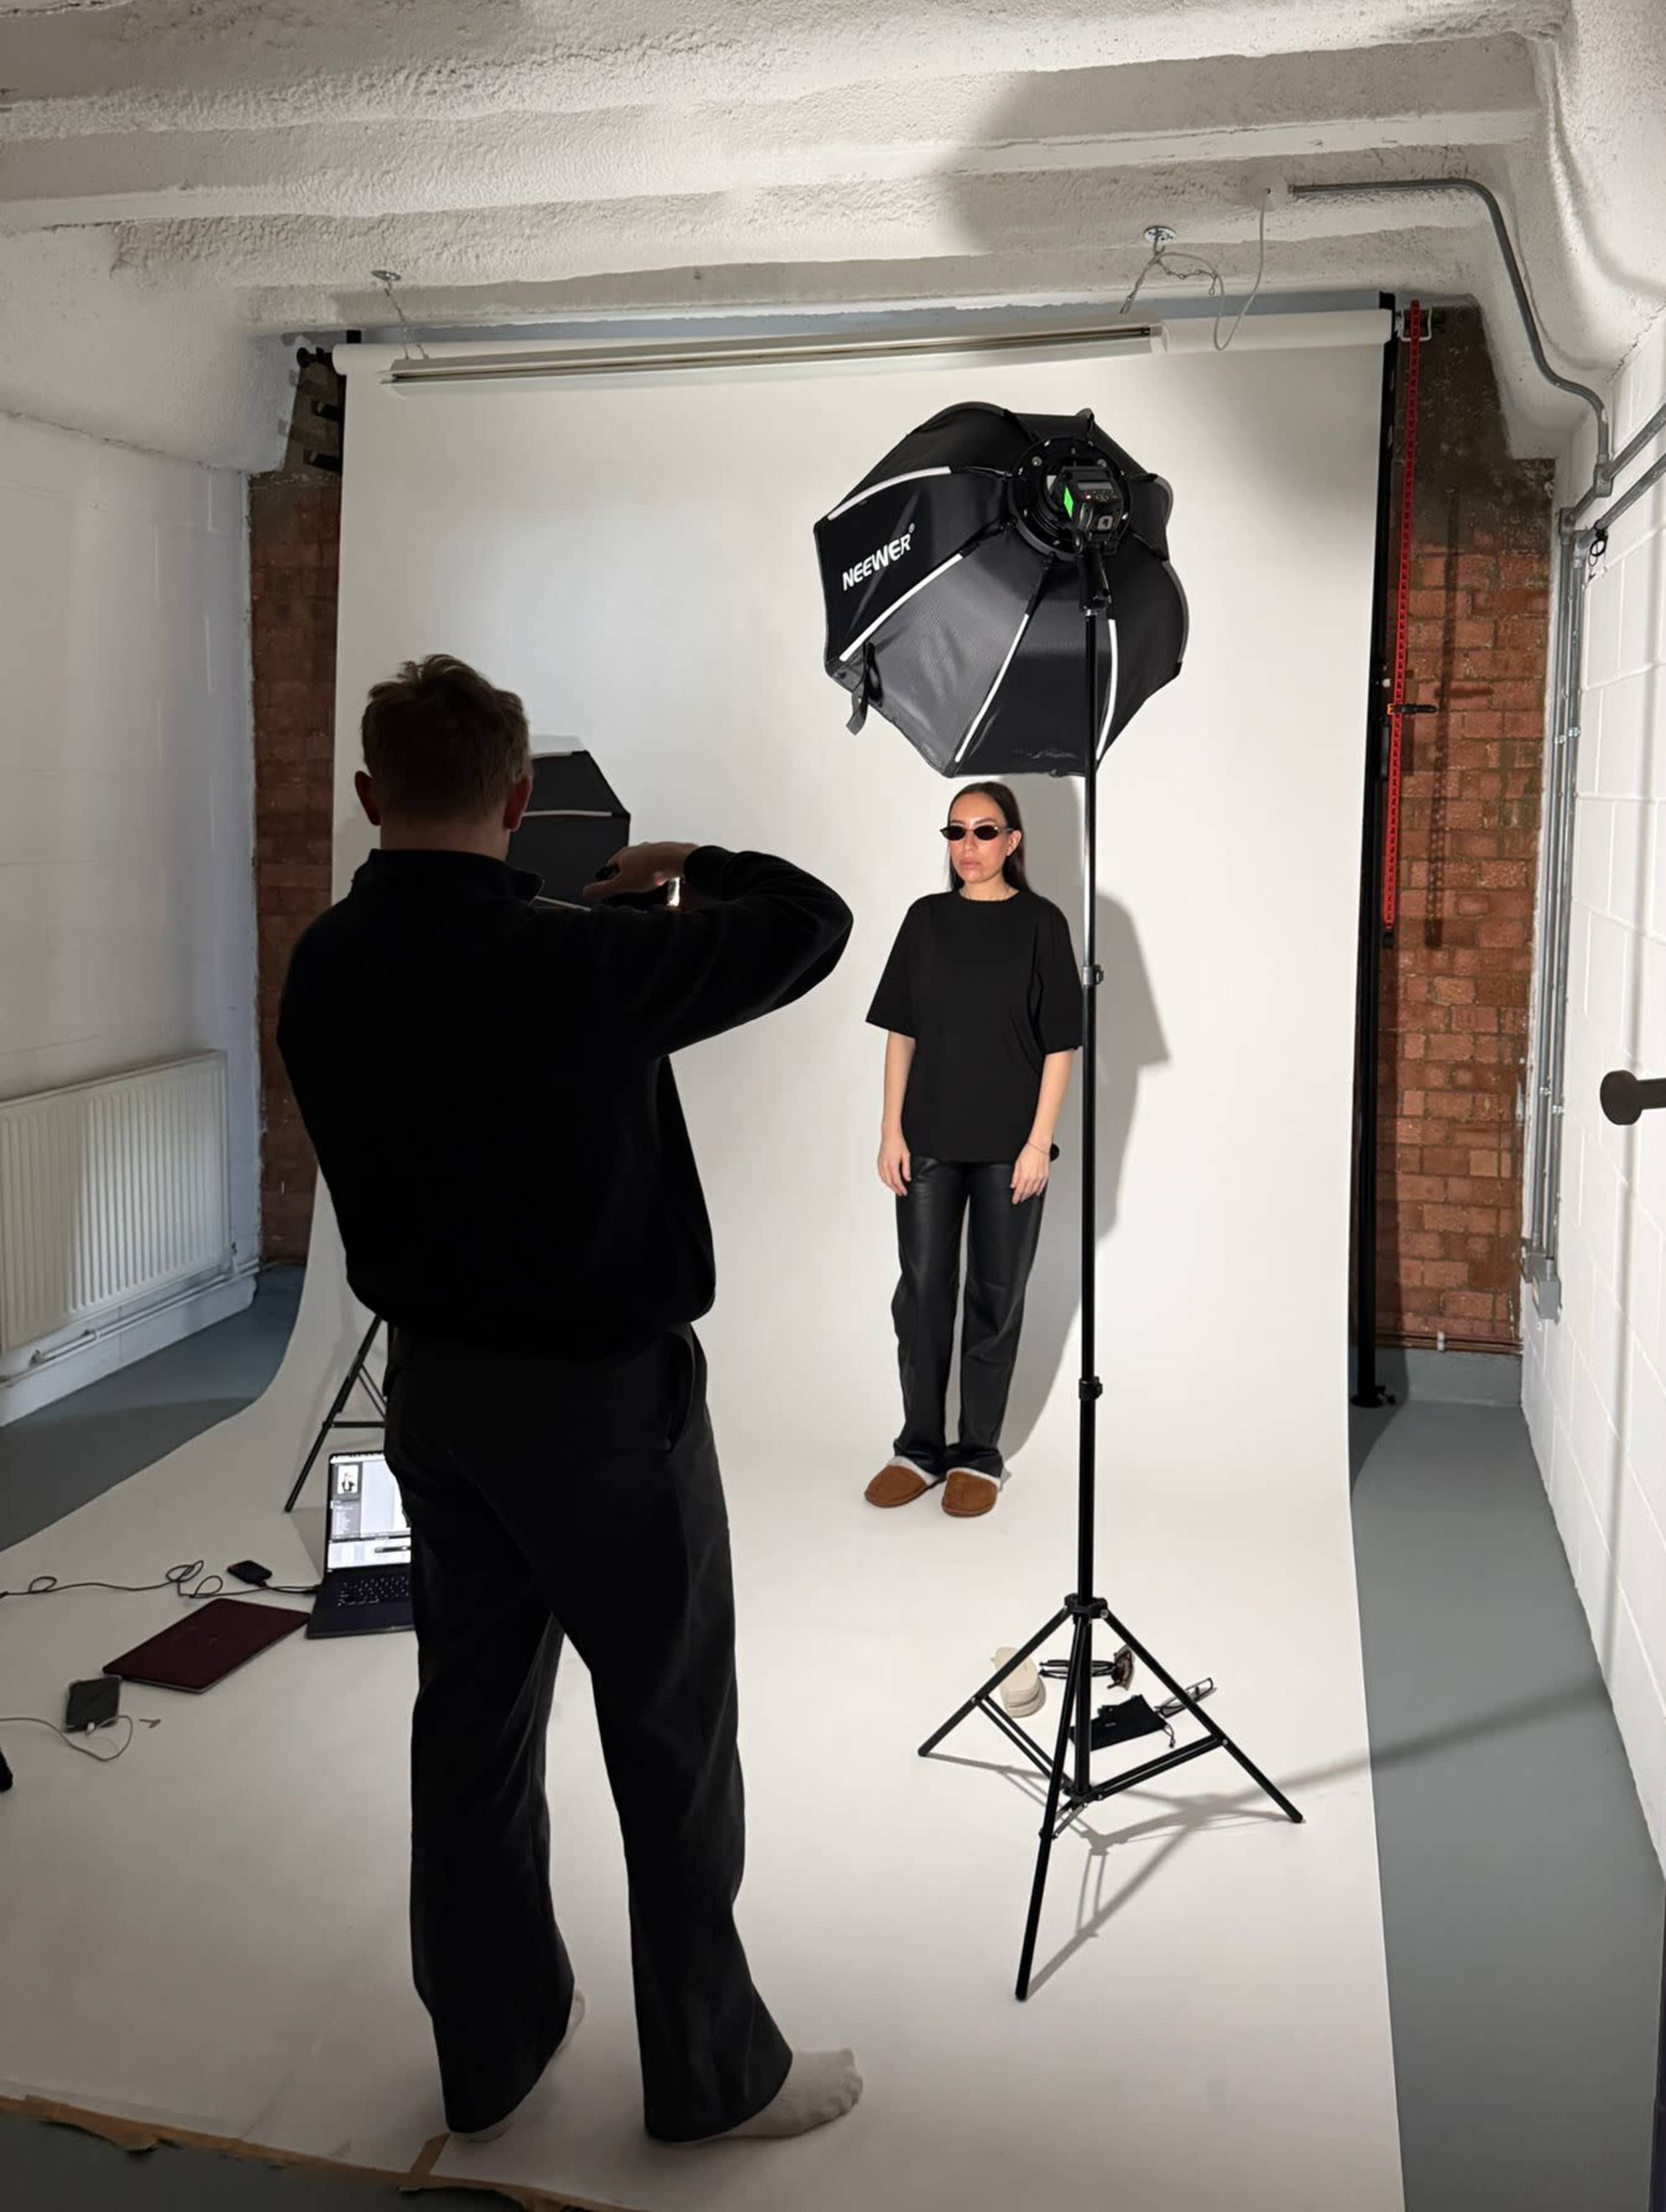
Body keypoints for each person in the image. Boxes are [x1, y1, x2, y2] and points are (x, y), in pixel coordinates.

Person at [277, 655, 861, 2151]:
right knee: (666, 1732)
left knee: (467, 1724)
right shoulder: (574, 961)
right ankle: (714, 2076)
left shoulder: (328, 966)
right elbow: (811, 926)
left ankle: (492, 2047)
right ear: (524, 798)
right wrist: (690, 866)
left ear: (367, 795)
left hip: (438, 1397)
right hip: (602, 1407)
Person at [863, 783, 1083, 1518]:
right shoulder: (925, 921)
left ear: (1014, 842)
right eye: (956, 831)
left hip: (1008, 1149)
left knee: (995, 1295)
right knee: (922, 1293)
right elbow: (903, 1031)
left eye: (986, 831)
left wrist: (1037, 1142)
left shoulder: (1042, 925)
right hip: (927, 1137)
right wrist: (891, 1129)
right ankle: (919, 1448)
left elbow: (1061, 1044)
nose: (969, 846)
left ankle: (978, 1455)